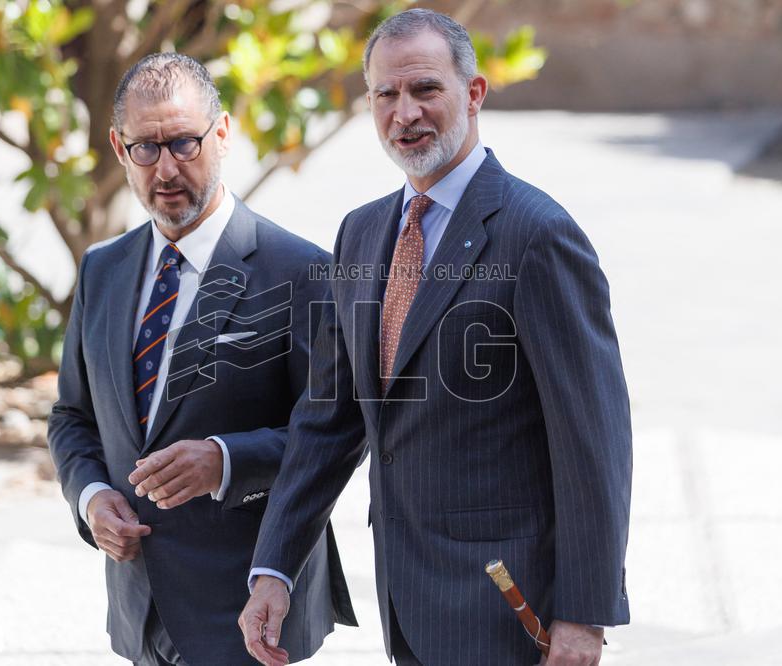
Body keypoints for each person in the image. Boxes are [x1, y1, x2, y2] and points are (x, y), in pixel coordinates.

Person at [239, 9, 632, 666]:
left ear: (473, 94)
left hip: (510, 609)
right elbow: (329, 421)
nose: (405, 113)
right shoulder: (360, 234)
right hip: (405, 603)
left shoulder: (537, 236)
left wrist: (584, 616)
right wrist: (274, 566)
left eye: (425, 90)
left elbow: (592, 443)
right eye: (386, 95)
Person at [48, 52, 355, 666]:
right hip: (139, 610)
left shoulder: (303, 272)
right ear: (118, 147)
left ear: (221, 134)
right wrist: (89, 497)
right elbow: (72, 417)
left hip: (251, 609)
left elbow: (338, 433)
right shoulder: (101, 270)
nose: (166, 167)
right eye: (145, 147)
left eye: (184, 143)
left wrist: (225, 460)